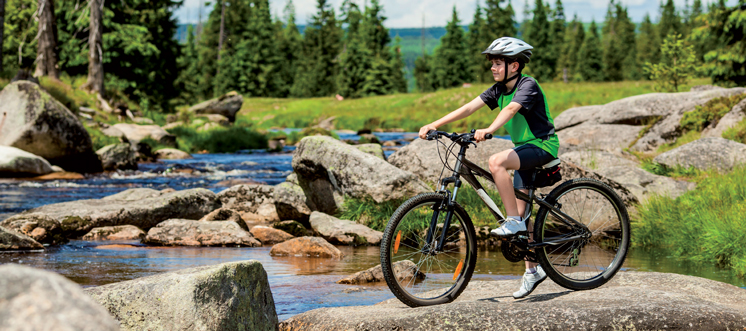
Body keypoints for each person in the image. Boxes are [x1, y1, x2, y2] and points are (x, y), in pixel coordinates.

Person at [417, 37, 559, 299]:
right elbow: (470, 107)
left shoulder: (528, 85)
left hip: (542, 146)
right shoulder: (498, 89)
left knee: (496, 161)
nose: (493, 68)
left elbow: (513, 109)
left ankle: (513, 222)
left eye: (497, 63)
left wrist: (490, 130)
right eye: (492, 63)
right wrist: (434, 123)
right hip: (523, 150)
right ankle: (533, 270)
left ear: (514, 65)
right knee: (523, 211)